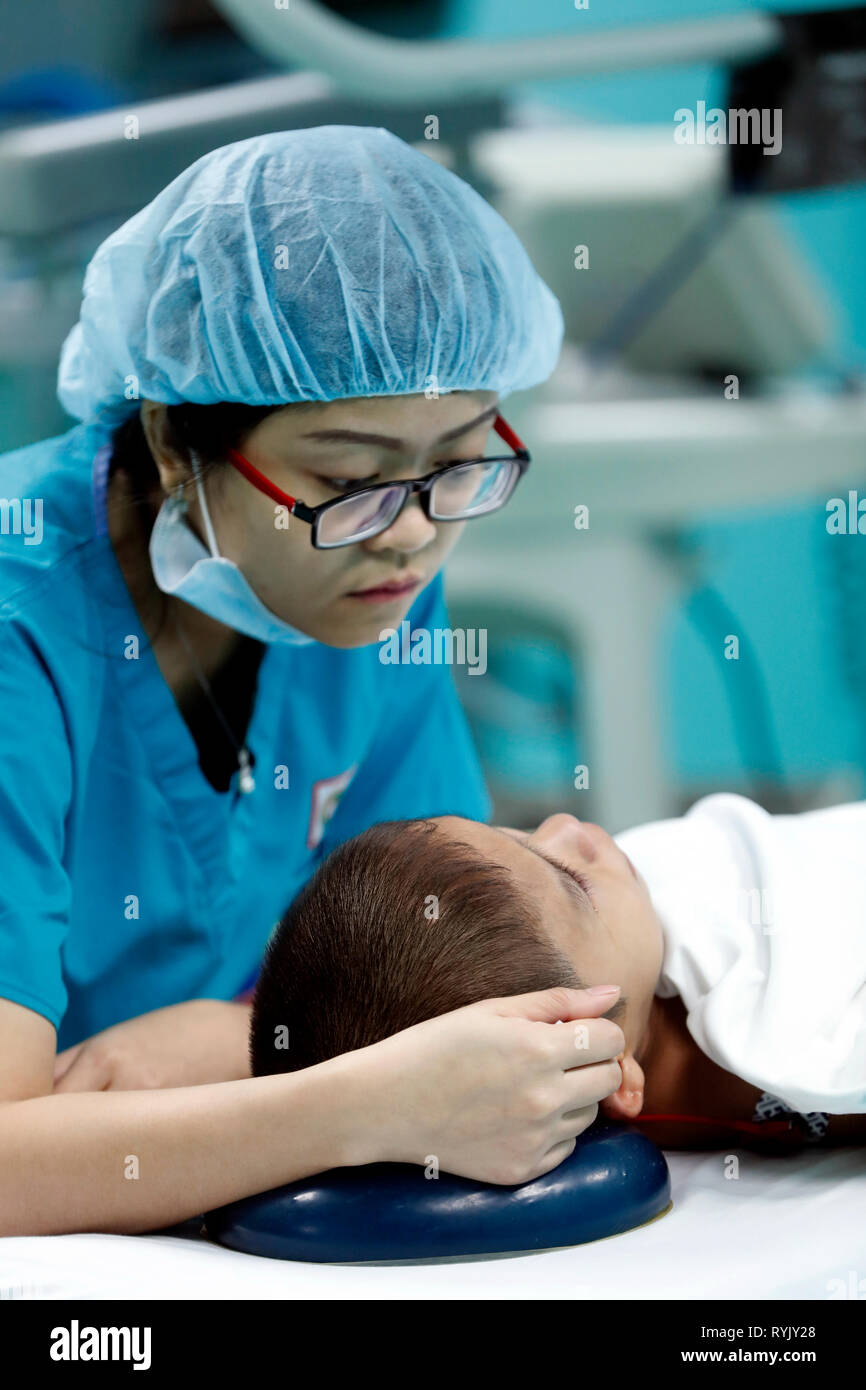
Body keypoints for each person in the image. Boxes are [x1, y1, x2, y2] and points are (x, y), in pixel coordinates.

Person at [0, 126, 628, 1237]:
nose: (415, 539)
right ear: (172, 436)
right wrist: (349, 1103)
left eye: (461, 460)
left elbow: (443, 963)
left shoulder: (364, 576)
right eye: (350, 479)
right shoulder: (23, 630)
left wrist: (237, 1048)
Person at [250, 796, 866, 1152]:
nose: (567, 826)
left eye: (512, 832)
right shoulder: (785, 1042)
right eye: (572, 883)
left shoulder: (758, 962)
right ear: (592, 1057)